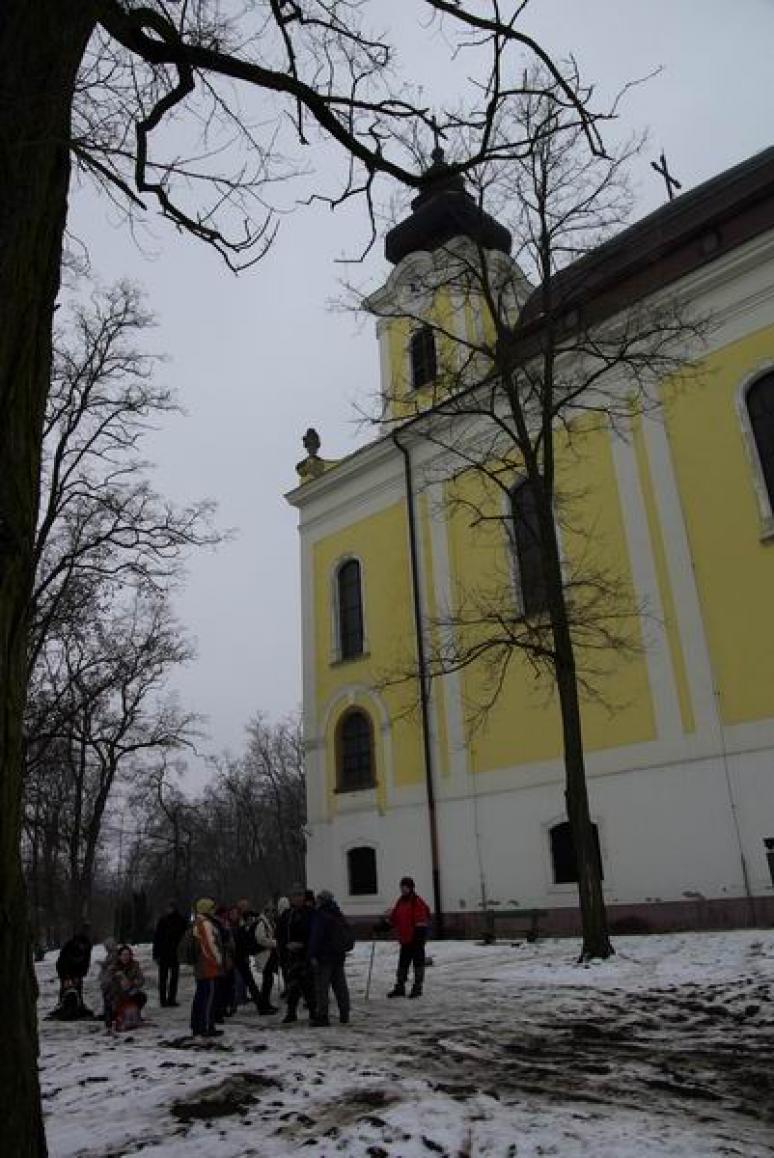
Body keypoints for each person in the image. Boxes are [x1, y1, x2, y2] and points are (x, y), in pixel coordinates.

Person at [380, 876, 431, 999]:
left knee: (418, 964)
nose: (403, 889)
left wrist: (419, 938)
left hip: (416, 939)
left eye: (405, 887)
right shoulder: (400, 901)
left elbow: (422, 921)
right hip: (405, 940)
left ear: (411, 888)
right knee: (403, 964)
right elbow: (395, 919)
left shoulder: (417, 902)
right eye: (402, 887)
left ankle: (417, 988)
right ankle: (400, 987)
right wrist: (384, 926)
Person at [308, 889, 351, 1027]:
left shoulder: (321, 916)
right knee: (340, 987)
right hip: (338, 956)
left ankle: (322, 1016)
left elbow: (316, 937)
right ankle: (344, 1013)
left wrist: (312, 954)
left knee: (322, 988)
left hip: (324, 957)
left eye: (318, 899)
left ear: (322, 900)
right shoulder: (338, 914)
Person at [282, 884, 316, 1024]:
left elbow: (315, 934)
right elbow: (281, 933)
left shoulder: (310, 913)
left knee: (308, 985)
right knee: (292, 986)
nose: (297, 899)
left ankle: (313, 1011)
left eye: (299, 896)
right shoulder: (287, 914)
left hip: (305, 954)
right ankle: (291, 1012)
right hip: (291, 956)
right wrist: (285, 946)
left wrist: (304, 945)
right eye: (294, 896)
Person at [189, 898, 223, 1039]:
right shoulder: (205, 923)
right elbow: (209, 945)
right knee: (208, 996)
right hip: (208, 966)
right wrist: (218, 959)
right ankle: (206, 1026)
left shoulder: (197, 922)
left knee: (200, 995)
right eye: (212, 908)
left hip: (201, 965)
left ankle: (198, 1025)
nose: (214, 910)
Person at [152, 901, 187, 1007]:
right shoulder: (163, 921)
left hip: (175, 953)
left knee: (174, 978)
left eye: (170, 907)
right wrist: (156, 954)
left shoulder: (181, 920)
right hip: (164, 953)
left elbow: (185, 938)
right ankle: (163, 1000)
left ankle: (171, 999)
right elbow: (157, 938)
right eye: (168, 908)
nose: (169, 910)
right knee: (163, 978)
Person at [104, 944, 147, 1031]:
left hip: (129, 992)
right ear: (119, 956)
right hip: (116, 994)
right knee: (108, 997)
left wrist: (132, 983)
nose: (125, 957)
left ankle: (133, 1015)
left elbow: (141, 980)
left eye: (127, 955)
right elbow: (105, 982)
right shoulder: (113, 967)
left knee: (141, 996)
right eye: (123, 955)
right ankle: (111, 1018)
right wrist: (116, 979)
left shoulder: (135, 965)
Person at [55, 925, 92, 1006]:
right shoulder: (69, 946)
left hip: (78, 970)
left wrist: (80, 975)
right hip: (65, 968)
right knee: (66, 987)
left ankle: (79, 1003)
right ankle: (62, 1003)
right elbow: (62, 962)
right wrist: (66, 977)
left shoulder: (88, 946)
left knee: (78, 987)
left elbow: (86, 962)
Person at [253, 901, 279, 1014]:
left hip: (269, 955)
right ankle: (263, 1006)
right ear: (266, 911)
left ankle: (266, 1004)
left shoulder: (268, 922)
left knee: (269, 981)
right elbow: (260, 939)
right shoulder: (261, 923)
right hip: (264, 954)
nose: (273, 914)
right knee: (267, 981)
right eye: (271, 911)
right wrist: (274, 943)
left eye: (274, 911)